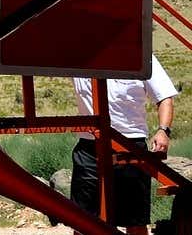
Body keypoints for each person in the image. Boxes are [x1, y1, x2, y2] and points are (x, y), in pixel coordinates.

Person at [71, 54, 178, 235]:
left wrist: (163, 130)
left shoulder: (140, 55)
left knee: (134, 220)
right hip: (90, 145)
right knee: (83, 220)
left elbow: (165, 97)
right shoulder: (79, 53)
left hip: (131, 145)